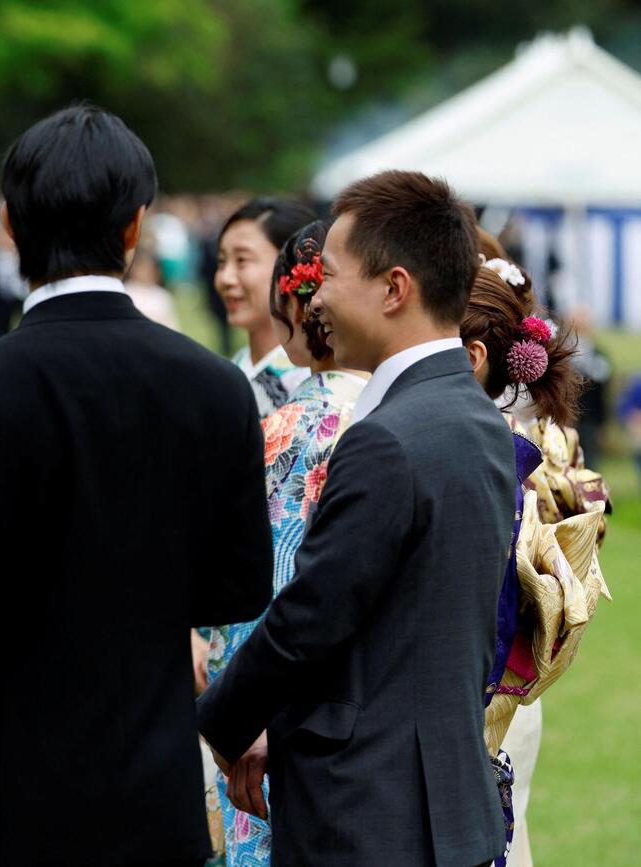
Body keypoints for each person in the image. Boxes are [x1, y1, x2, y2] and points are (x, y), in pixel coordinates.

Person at [0, 105, 273, 867]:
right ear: (135, 228)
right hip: (150, 789)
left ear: (6, 225)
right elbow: (238, 584)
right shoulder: (211, 386)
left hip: (1, 801)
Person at [198, 170, 513, 866]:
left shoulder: (387, 438)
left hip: (366, 814)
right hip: (443, 806)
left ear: (393, 288)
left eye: (330, 277)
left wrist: (222, 718)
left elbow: (310, 615)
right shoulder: (473, 416)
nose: (316, 299)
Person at [201, 220, 366, 866]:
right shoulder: (391, 412)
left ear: (296, 308)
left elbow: (237, 583)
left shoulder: (283, 429)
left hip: (270, 694)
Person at [461, 251, 611, 867]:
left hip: (490, 679)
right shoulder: (519, 436)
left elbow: (588, 515)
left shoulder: (506, 444)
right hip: (506, 677)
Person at [213, 197, 316, 417]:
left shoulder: (311, 381)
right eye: (221, 262)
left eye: (242, 260)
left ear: (292, 267)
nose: (225, 278)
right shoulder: (228, 372)